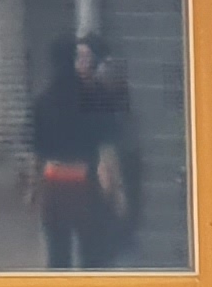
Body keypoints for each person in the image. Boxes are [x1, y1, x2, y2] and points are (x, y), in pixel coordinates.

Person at [24, 34, 136, 268]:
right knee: (91, 254)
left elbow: (36, 154)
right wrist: (117, 191)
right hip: (86, 183)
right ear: (73, 59)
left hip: (53, 182)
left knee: (57, 255)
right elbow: (106, 149)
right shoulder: (93, 96)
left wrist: (33, 190)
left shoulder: (43, 101)